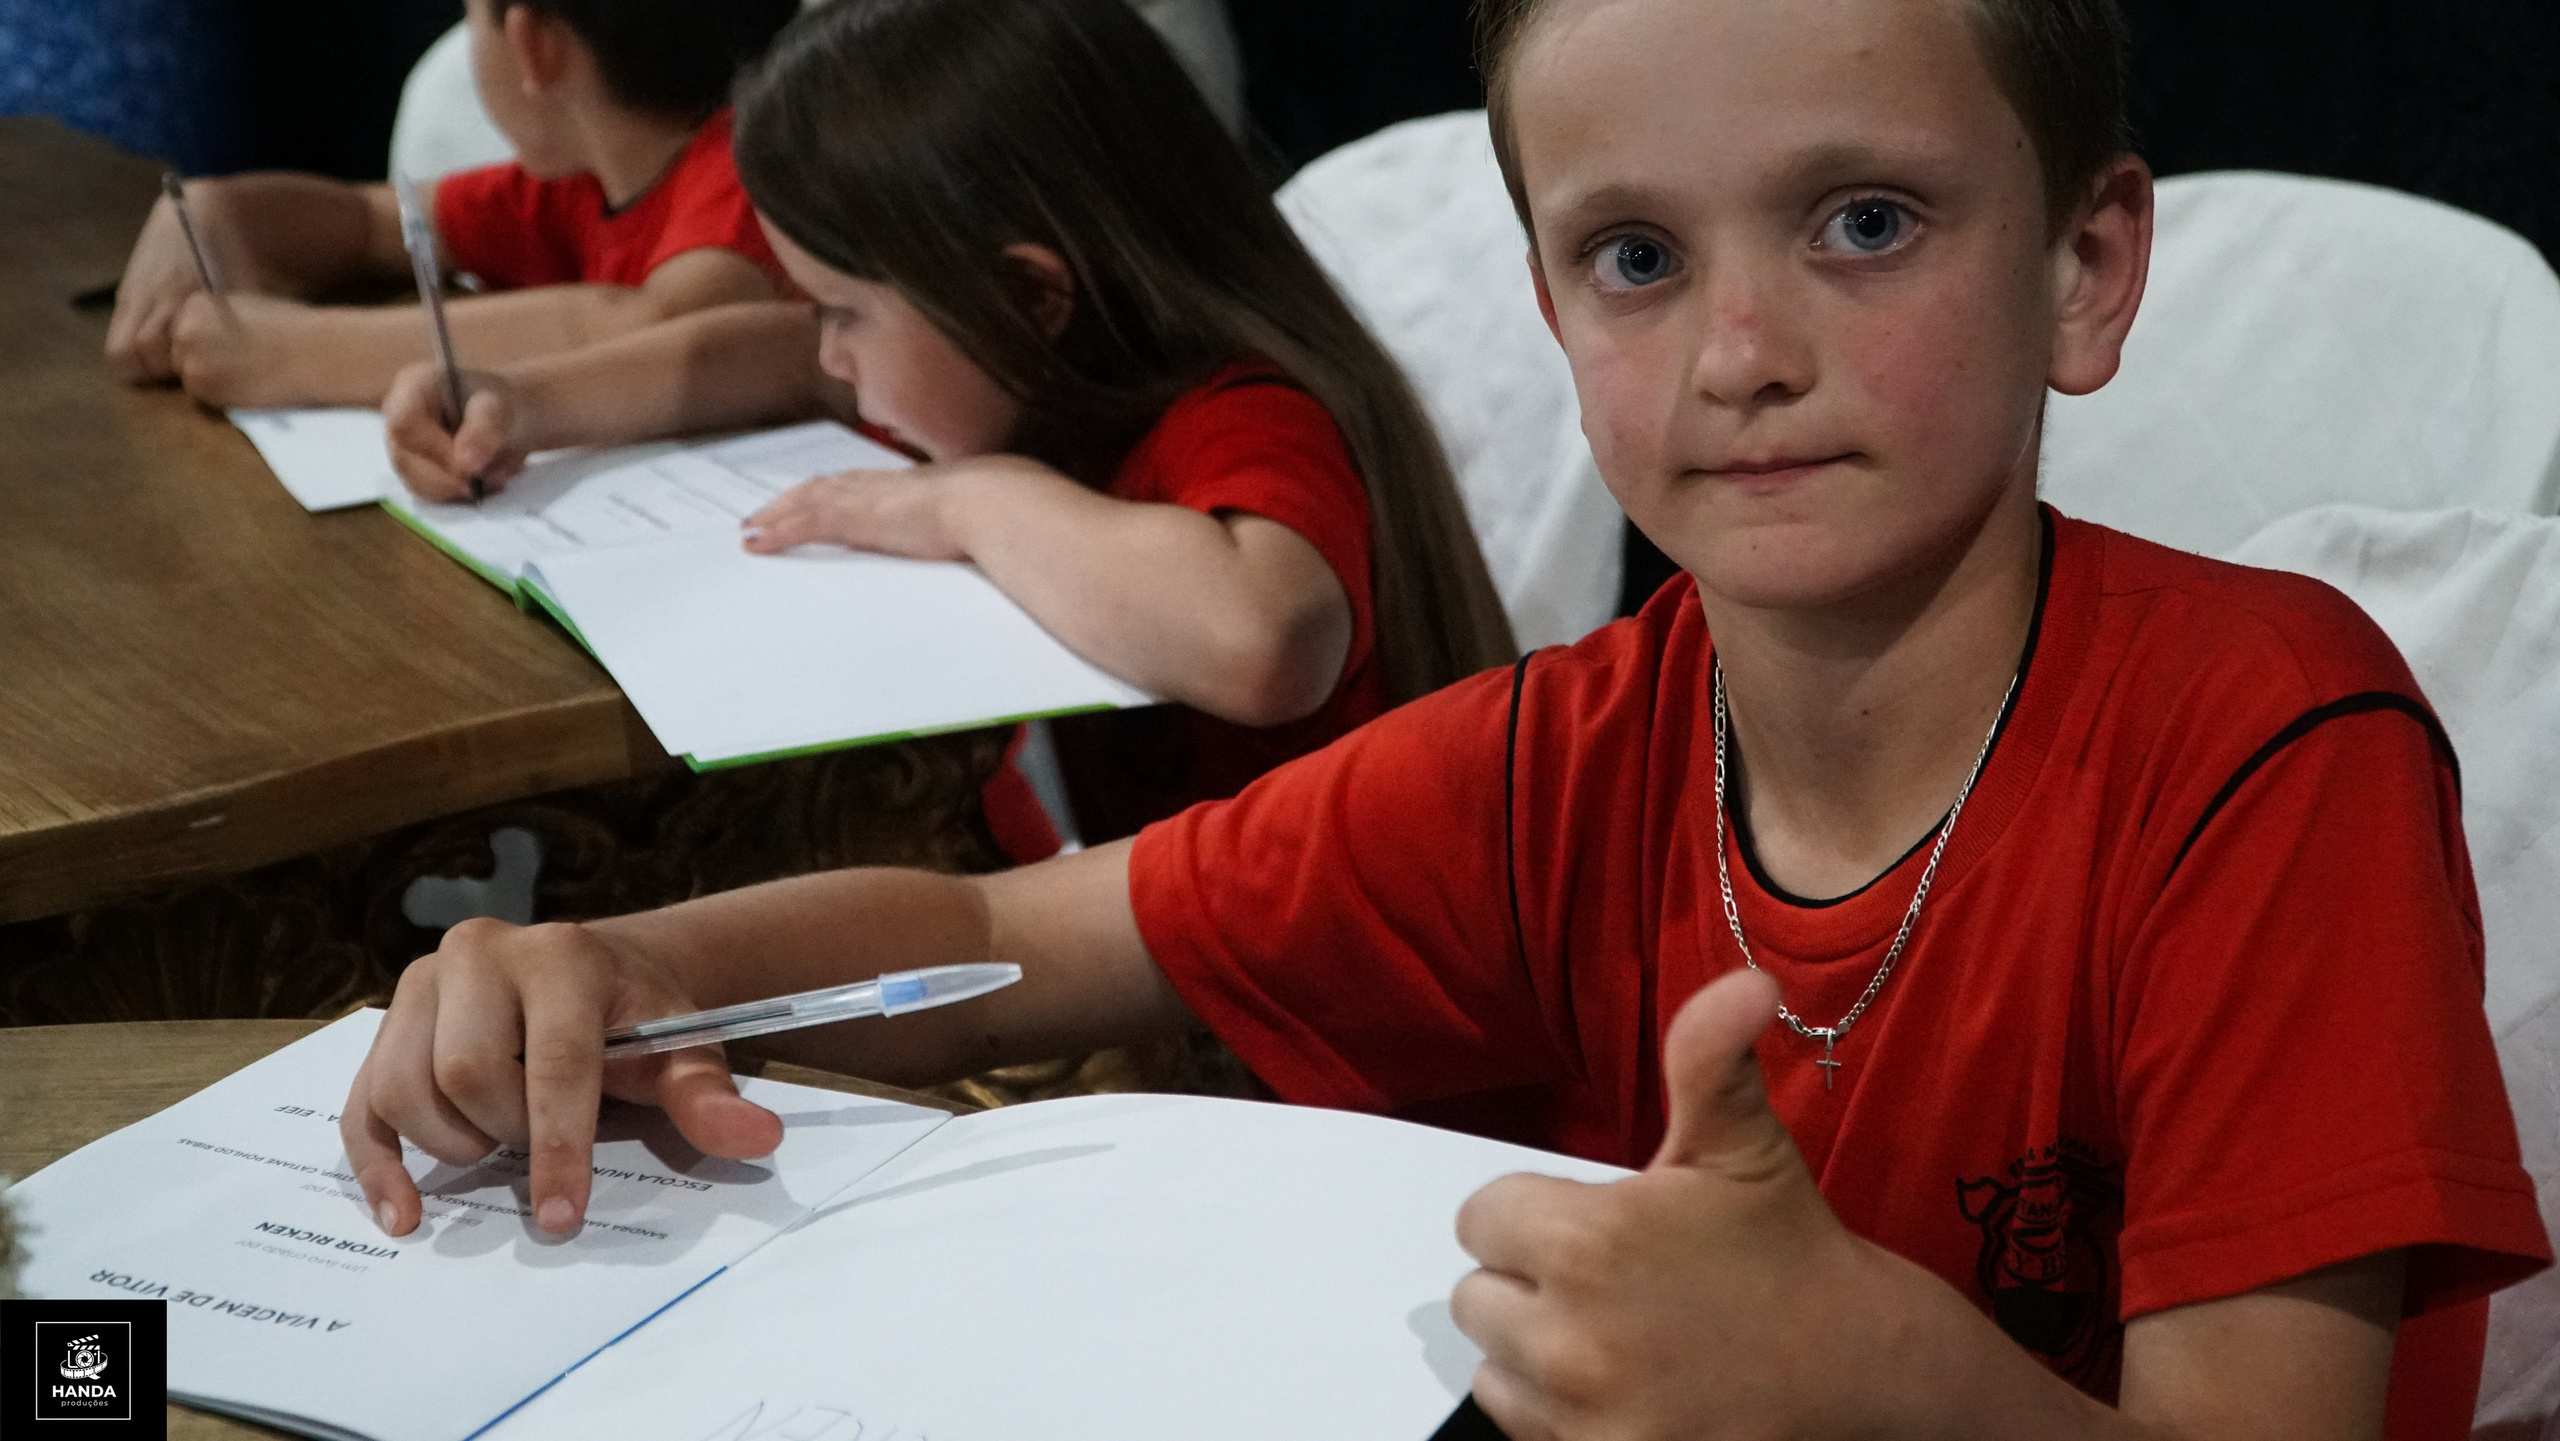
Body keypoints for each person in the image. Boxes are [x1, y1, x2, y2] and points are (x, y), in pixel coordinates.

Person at [341, 0, 2552, 1437]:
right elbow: (1021, 929)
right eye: (1630, 258)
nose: (1739, 348)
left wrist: (1876, 1378)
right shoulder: (1572, 746)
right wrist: (630, 973)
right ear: (1553, 313)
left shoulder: (2275, 744)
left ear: (2080, 272)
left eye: (1862, 224)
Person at [380, 0, 1516, 846]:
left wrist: (974, 502)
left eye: (845, 313)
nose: (826, 351)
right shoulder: (1022, 368)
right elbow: (770, 362)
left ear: (1030, 296)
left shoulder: (1244, 414)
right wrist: (525, 403)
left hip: (1361, 1060)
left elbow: (1263, 638)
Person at [103, 0, 799, 410]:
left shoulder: (753, 160)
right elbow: (376, 222)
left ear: (532, 45)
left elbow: (670, 326)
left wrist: (292, 355)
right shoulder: (578, 187)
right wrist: (211, 211)